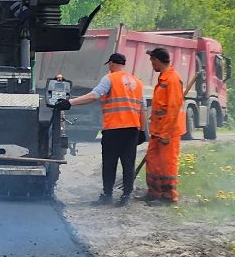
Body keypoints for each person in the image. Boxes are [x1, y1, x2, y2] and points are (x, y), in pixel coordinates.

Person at [56, 52, 144, 204]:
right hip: (132, 129)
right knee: (128, 163)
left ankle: (107, 195)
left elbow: (94, 95)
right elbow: (143, 108)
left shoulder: (110, 78)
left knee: (109, 163)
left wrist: (70, 102)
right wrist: (143, 130)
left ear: (111, 63)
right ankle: (126, 196)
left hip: (114, 129)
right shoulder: (137, 82)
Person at [143, 46, 186, 203]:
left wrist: (166, 133)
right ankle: (154, 192)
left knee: (167, 164)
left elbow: (173, 109)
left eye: (152, 61)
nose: (151, 64)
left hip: (168, 132)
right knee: (153, 161)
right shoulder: (164, 78)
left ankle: (169, 196)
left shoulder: (172, 80)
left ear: (157, 60)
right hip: (157, 130)